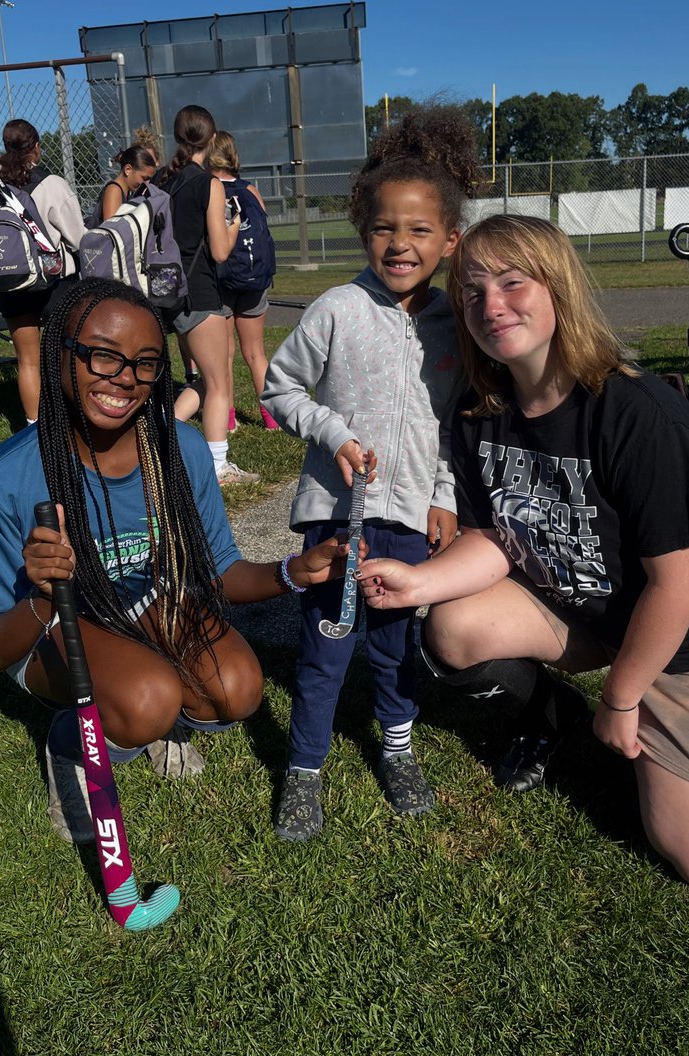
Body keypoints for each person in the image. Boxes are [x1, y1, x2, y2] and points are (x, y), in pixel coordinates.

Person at [356, 214, 689, 888]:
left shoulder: (634, 411)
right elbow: (494, 537)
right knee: (453, 626)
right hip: (584, 613)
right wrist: (418, 583)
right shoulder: (481, 411)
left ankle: (643, 719)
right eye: (472, 291)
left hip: (687, 640)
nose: (491, 305)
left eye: (512, 282)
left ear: (559, 288)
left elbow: (680, 585)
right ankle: (555, 714)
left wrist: (624, 698)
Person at [0, 277, 361, 844]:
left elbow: (220, 572)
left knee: (236, 687)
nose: (125, 377)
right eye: (103, 355)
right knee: (147, 699)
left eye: (145, 363)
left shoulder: (181, 449)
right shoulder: (3, 479)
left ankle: (144, 700)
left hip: (145, 607)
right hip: (52, 629)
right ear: (59, 355)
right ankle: (72, 744)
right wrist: (45, 594)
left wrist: (291, 573)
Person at [260, 106, 480, 841]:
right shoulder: (337, 309)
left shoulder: (455, 325)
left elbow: (449, 425)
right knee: (324, 651)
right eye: (384, 228)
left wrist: (443, 497)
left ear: (449, 239)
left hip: (409, 520)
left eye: (419, 230)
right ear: (364, 232)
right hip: (336, 515)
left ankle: (398, 748)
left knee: (394, 645)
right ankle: (303, 770)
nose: (400, 244)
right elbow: (279, 388)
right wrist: (332, 432)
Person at [155, 106, 256, 485]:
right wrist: (233, 225)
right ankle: (217, 465)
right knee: (218, 383)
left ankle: (162, 434)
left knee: (204, 379)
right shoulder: (208, 184)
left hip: (170, 290)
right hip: (199, 290)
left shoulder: (165, 181)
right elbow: (219, 251)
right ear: (212, 139)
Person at [0, 119, 85, 424]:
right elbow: (78, 238)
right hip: (55, 283)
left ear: (4, 146)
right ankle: (70, 422)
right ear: (37, 147)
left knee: (28, 361)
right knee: (65, 355)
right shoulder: (51, 184)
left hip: (10, 282)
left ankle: (34, 428)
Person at [206, 130, 279, 432]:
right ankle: (272, 418)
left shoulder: (209, 190)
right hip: (254, 279)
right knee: (256, 353)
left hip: (221, 281)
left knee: (224, 354)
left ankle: (228, 418)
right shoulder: (251, 190)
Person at [90, 144, 157, 223]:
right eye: (144, 178)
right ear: (128, 169)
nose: (147, 183)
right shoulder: (114, 190)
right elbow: (110, 227)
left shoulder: (128, 192)